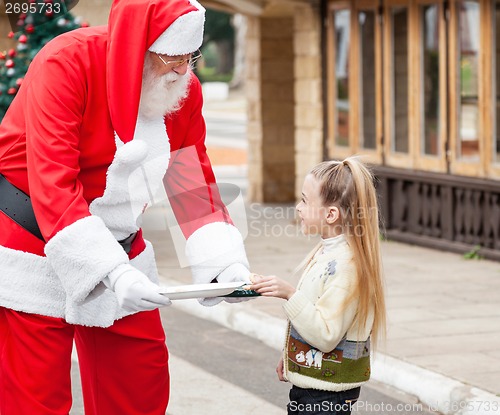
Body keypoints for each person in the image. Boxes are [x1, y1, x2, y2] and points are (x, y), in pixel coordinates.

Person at [0, 1, 251, 414]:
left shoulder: (180, 87)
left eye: (190, 56)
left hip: (119, 242)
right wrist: (110, 272)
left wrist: (224, 264)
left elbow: (192, 178)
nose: (180, 69)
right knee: (34, 396)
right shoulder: (67, 61)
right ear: (137, 45)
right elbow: (53, 181)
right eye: (170, 55)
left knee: (140, 383)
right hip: (31, 243)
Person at [248, 157, 386, 415]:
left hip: (325, 395)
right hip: (315, 387)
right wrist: (290, 358)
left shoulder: (345, 265)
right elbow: (312, 319)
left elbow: (325, 334)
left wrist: (289, 294)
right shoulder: (328, 254)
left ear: (331, 214)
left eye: (304, 200)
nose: (298, 208)